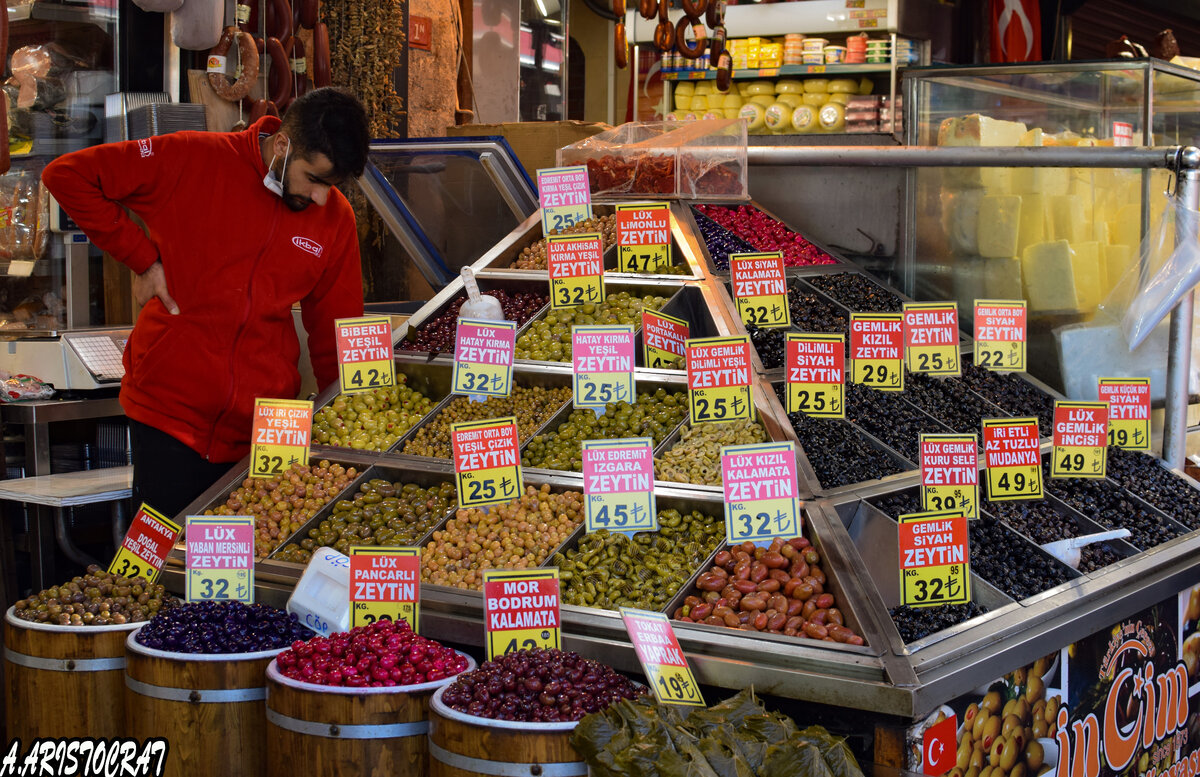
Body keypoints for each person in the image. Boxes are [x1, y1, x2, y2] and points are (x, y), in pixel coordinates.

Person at [42, 87, 371, 518]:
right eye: (315, 178)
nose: (321, 197)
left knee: (245, 569)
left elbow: (338, 330)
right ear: (284, 144)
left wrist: (348, 422)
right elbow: (68, 174)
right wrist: (143, 260)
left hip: (266, 429)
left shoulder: (336, 219)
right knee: (165, 564)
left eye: (333, 185)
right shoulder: (191, 156)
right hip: (169, 415)